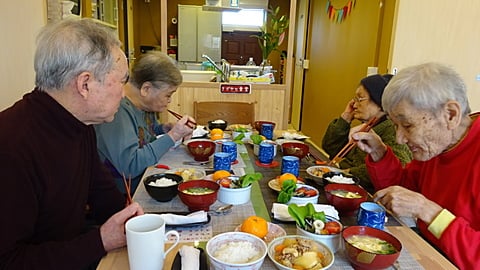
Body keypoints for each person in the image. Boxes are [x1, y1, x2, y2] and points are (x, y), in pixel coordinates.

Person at [0, 19, 144, 269]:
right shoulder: (12, 145)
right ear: (85, 84)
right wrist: (101, 240)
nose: (123, 94)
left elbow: (103, 196)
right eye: (121, 81)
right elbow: (9, 261)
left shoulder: (79, 124)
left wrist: (135, 218)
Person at [351, 62, 480, 269]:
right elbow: (403, 190)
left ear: (451, 115)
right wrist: (379, 152)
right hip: (425, 251)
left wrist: (428, 211)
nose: (400, 139)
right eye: (395, 126)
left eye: (408, 125)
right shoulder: (438, 145)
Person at [94, 51, 194, 194]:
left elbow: (144, 134)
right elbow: (131, 166)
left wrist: (162, 129)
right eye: (168, 95)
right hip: (126, 196)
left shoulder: (143, 106)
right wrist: (173, 135)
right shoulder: (117, 112)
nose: (170, 100)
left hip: (147, 179)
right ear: (146, 89)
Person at [321, 74, 412, 192]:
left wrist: (347, 174)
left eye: (360, 98)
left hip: (360, 192)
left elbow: (401, 165)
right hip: (342, 183)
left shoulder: (391, 129)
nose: (354, 104)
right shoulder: (367, 126)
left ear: (379, 103)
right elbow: (330, 147)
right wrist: (345, 118)